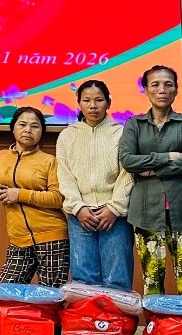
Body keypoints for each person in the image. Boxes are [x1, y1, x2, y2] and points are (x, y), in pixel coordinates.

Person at [119, 63, 182, 296]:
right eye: (155, 84)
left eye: (168, 85)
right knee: (152, 281)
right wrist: (167, 157)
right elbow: (127, 160)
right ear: (146, 90)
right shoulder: (134, 124)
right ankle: (154, 320)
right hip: (145, 211)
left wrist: (152, 170)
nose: (162, 90)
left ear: (176, 90)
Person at [56, 80, 135, 290]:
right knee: (84, 280)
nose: (93, 106)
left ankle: (117, 314)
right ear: (79, 103)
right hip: (80, 215)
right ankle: (87, 314)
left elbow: (128, 173)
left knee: (117, 278)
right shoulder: (67, 136)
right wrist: (78, 207)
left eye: (99, 100)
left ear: (108, 102)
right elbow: (64, 175)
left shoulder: (122, 133)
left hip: (115, 216)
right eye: (87, 100)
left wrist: (114, 208)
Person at [0, 106, 67, 286]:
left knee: (50, 296)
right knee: (5, 292)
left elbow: (58, 199)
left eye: (35, 126)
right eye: (22, 124)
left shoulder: (50, 161)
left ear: (42, 132)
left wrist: (20, 194)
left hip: (52, 237)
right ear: (13, 128)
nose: (28, 130)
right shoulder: (0, 157)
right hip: (18, 239)